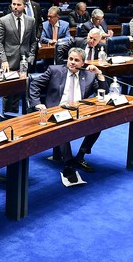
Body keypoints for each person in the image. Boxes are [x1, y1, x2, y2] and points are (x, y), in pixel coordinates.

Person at [29, 47, 108, 185]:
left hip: (79, 110)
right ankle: (68, 163)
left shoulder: (88, 75)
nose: (72, 62)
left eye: (76, 60)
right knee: (63, 127)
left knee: (98, 122)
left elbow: (104, 92)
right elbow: (34, 85)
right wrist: (37, 104)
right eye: (70, 59)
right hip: (56, 111)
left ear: (83, 63)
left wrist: (99, 74)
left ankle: (80, 156)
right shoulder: (54, 70)